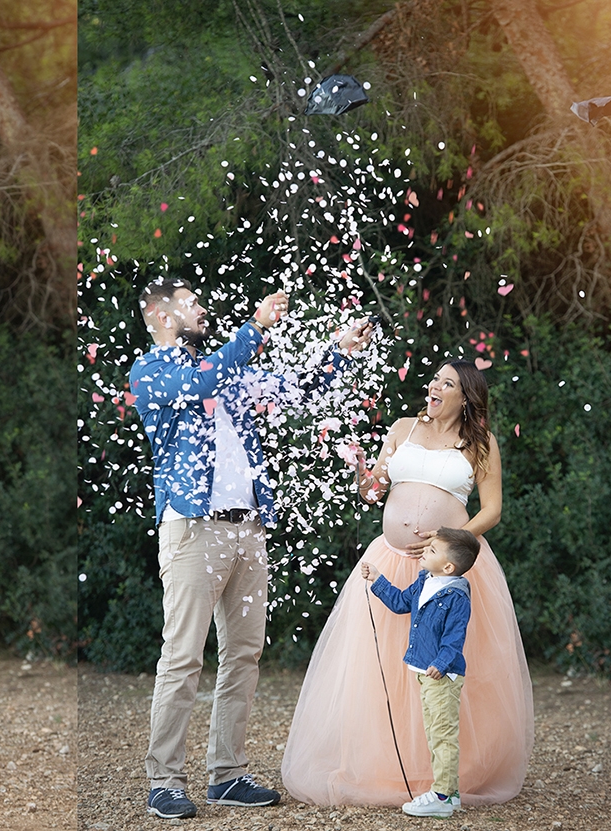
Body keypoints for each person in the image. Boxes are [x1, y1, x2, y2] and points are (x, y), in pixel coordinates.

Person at [129, 277, 374, 819]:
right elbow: (206, 379)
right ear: (162, 317)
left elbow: (297, 387)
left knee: (243, 653)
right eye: (191, 304)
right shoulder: (152, 372)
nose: (202, 309)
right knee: (183, 655)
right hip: (194, 528)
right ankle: (164, 780)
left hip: (248, 528)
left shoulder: (228, 371)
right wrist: (256, 327)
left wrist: (339, 351)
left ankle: (227, 774)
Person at [281, 359, 534, 807]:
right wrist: (363, 475)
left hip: (447, 567)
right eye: (435, 378)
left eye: (447, 382)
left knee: (443, 666)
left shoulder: (479, 442)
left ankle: (447, 774)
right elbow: (374, 489)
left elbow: (492, 509)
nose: (434, 386)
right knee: (380, 667)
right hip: (389, 560)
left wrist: (454, 539)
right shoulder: (401, 428)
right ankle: (384, 765)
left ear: (465, 398)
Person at [361, 527, 480, 818]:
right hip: (425, 672)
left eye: (433, 550)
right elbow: (402, 602)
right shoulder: (426, 580)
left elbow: (455, 638)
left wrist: (440, 664)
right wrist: (378, 579)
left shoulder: (456, 597)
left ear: (449, 566)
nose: (425, 551)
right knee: (435, 732)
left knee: (442, 734)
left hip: (441, 676)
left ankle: (441, 796)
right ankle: (449, 794)